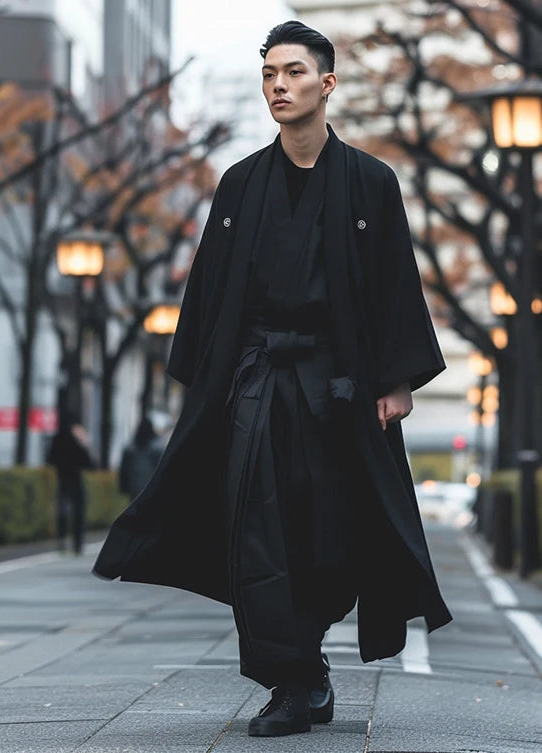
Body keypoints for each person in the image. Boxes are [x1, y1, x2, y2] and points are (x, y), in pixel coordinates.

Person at [92, 21, 452, 738]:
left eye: (293, 72)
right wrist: (202, 388)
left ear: (327, 83)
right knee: (256, 530)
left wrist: (399, 378)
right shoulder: (240, 184)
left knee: (331, 532)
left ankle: (307, 658)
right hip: (256, 380)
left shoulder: (371, 184)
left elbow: (392, 284)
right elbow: (209, 291)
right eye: (269, 75)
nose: (278, 86)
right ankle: (294, 679)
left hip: (338, 386)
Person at [47, 416, 95, 555]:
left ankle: (62, 540)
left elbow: (50, 458)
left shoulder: (57, 440)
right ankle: (77, 544)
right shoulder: (76, 441)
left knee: (62, 512)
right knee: (78, 512)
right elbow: (89, 463)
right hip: (75, 479)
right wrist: (83, 443)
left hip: (62, 479)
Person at [117, 418, 163, 500]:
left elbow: (124, 471)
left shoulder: (130, 449)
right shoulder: (157, 448)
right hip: (151, 488)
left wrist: (123, 487)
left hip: (135, 488)